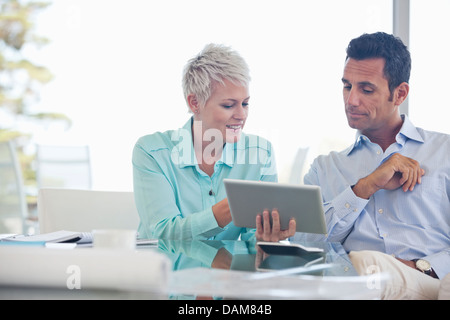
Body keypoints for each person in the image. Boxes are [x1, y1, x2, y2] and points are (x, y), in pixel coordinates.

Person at [294, 32, 450, 299]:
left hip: (433, 285)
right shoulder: (325, 168)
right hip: (353, 285)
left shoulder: (445, 153)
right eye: (347, 86)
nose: (351, 100)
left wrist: (423, 268)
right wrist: (363, 188)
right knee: (364, 269)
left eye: (366, 90)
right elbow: (306, 246)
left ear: (399, 93)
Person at [133, 43, 295, 241]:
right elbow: (163, 233)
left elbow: (253, 238)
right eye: (228, 105)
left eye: (245, 103)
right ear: (194, 103)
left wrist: (266, 237)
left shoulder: (261, 153)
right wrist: (231, 207)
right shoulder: (152, 152)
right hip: (168, 270)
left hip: (229, 270)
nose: (241, 115)